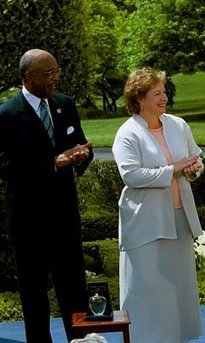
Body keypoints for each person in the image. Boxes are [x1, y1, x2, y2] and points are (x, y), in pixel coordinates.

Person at [0, 49, 93, 342]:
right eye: (48, 73)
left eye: (56, 71)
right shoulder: (6, 114)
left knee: (75, 289)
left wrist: (81, 155)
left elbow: (78, 141)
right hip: (28, 219)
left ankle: (81, 340)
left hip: (65, 215)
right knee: (34, 293)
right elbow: (4, 165)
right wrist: (52, 163)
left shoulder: (64, 104)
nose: (56, 77)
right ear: (28, 77)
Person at [112, 67, 204, 342]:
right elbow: (131, 175)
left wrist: (194, 168)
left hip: (179, 216)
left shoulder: (178, 124)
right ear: (139, 98)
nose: (164, 98)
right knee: (147, 286)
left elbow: (195, 157)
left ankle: (178, 337)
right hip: (145, 221)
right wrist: (173, 169)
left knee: (178, 285)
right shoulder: (127, 133)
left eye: (164, 92)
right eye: (157, 93)